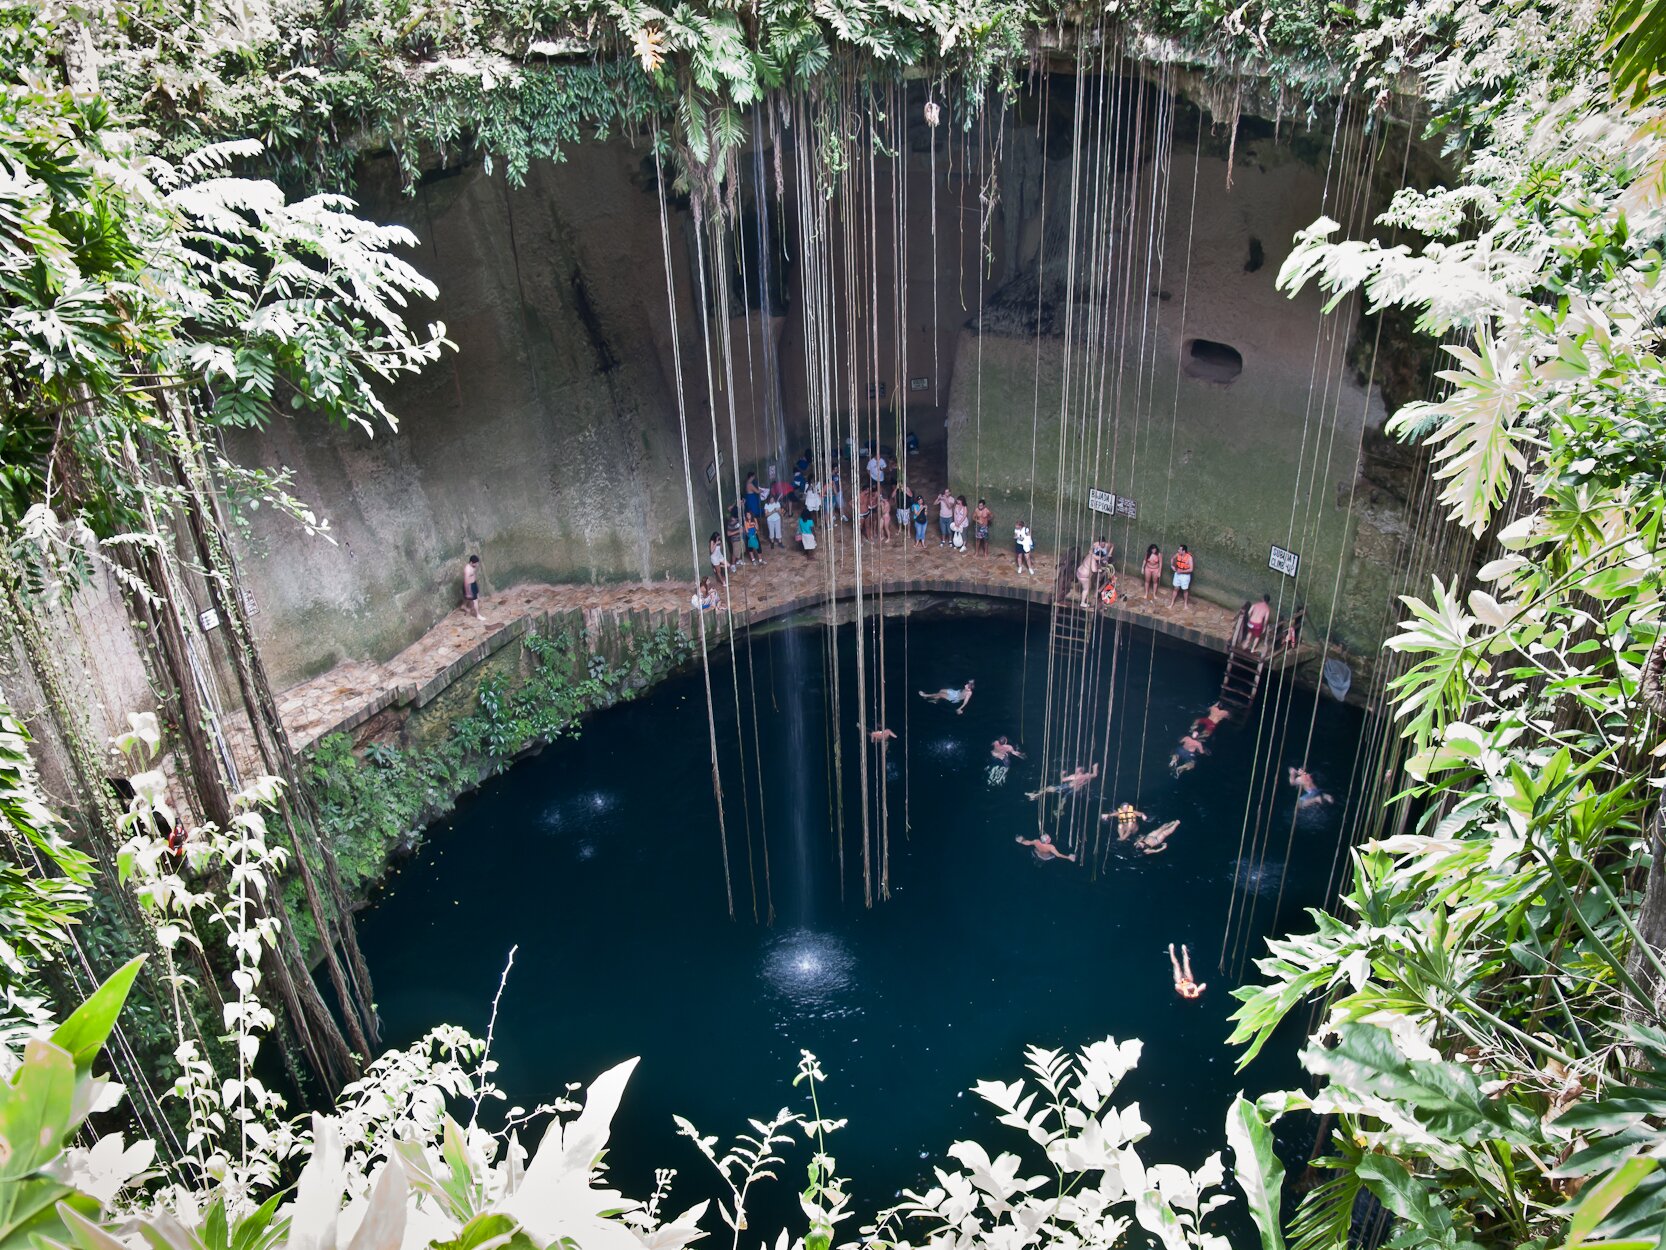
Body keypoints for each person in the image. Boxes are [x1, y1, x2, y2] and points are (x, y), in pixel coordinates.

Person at [1027, 762, 1099, 799]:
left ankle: (1035, 795)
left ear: (1080, 770)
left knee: (1049, 789)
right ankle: (1035, 795)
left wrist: (1062, 774)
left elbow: (1063, 779)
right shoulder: (1086, 776)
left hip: (1066, 786)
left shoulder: (1077, 776)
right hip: (1070, 788)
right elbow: (1094, 774)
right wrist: (1094, 767)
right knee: (1049, 790)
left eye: (1077, 768)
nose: (1076, 769)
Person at [462, 554, 483, 619]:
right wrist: (468, 592)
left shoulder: (473, 566)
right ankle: (478, 615)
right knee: (475, 600)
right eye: (476, 563)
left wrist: (476, 584)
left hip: (473, 583)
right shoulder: (467, 570)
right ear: (471, 562)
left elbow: (473, 575)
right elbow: (466, 582)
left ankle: (463, 606)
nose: (477, 565)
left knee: (472, 597)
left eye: (477, 563)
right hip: (469, 585)